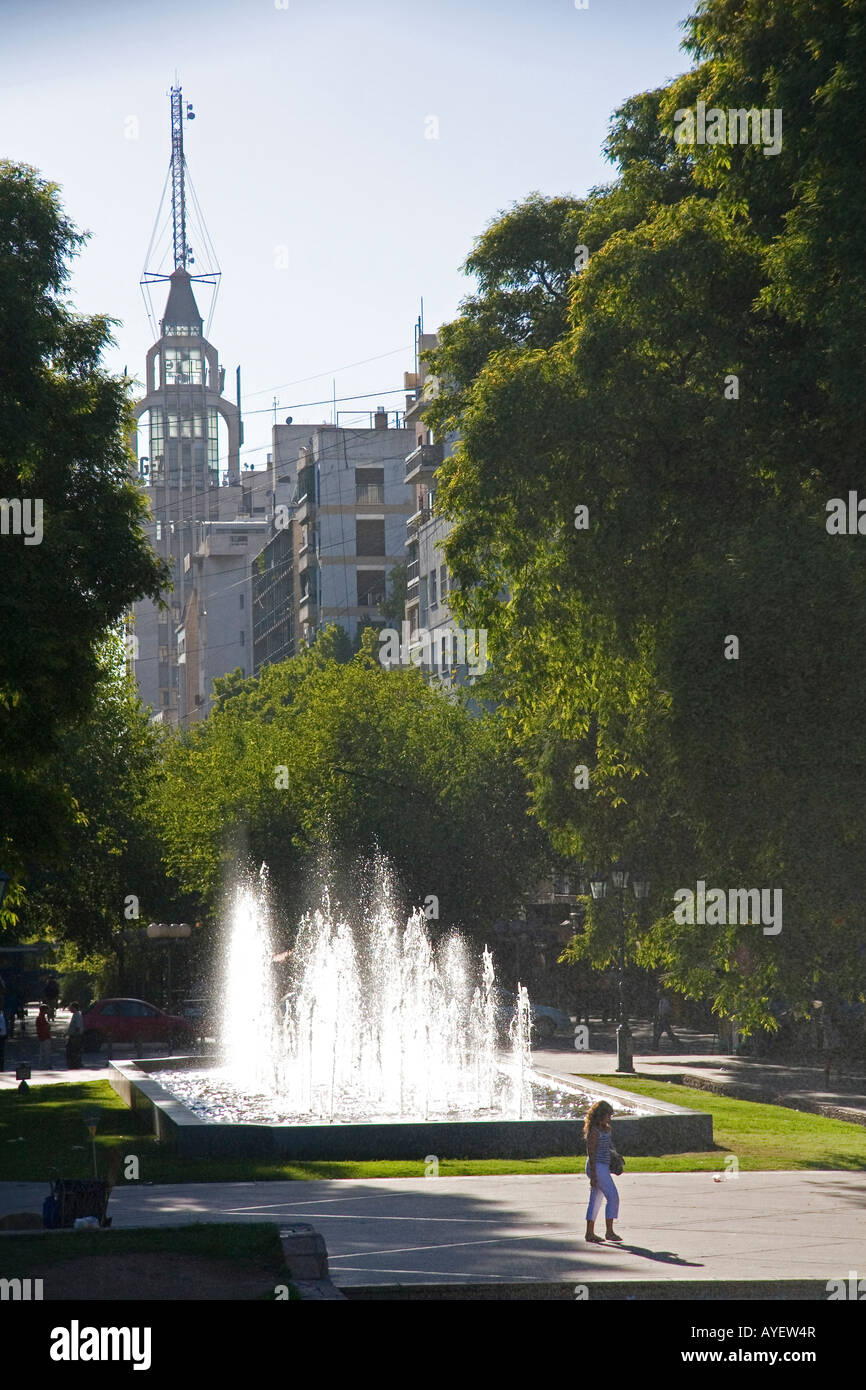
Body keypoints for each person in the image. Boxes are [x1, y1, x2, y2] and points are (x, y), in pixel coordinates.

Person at [584, 1099, 621, 1244]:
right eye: (608, 1115)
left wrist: (615, 1156)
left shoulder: (605, 1129)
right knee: (613, 1196)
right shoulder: (594, 1131)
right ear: (600, 1115)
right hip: (597, 1166)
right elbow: (591, 1153)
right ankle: (609, 1231)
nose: (609, 1118)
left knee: (596, 1199)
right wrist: (593, 1175)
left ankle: (590, 1232)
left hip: (603, 1166)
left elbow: (607, 1148)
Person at [65, 1003, 84, 1070]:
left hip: (75, 1036)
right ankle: (73, 1064)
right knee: (72, 1051)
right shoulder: (75, 1014)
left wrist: (74, 1035)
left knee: (74, 1051)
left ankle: (75, 1065)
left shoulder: (77, 1015)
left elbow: (77, 1027)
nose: (69, 1009)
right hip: (73, 1035)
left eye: (71, 1007)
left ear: (74, 1008)